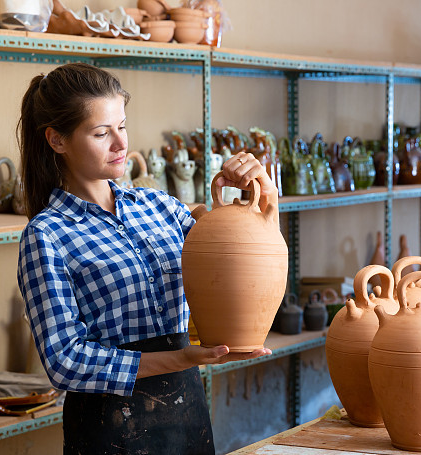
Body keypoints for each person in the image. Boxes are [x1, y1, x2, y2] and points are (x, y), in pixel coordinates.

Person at [16, 62, 275, 454]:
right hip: (109, 430)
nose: (120, 143)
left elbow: (241, 266)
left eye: (122, 125)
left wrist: (265, 200)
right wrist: (178, 358)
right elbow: (63, 360)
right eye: (102, 133)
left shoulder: (160, 208)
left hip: (188, 417)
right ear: (57, 140)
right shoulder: (46, 235)